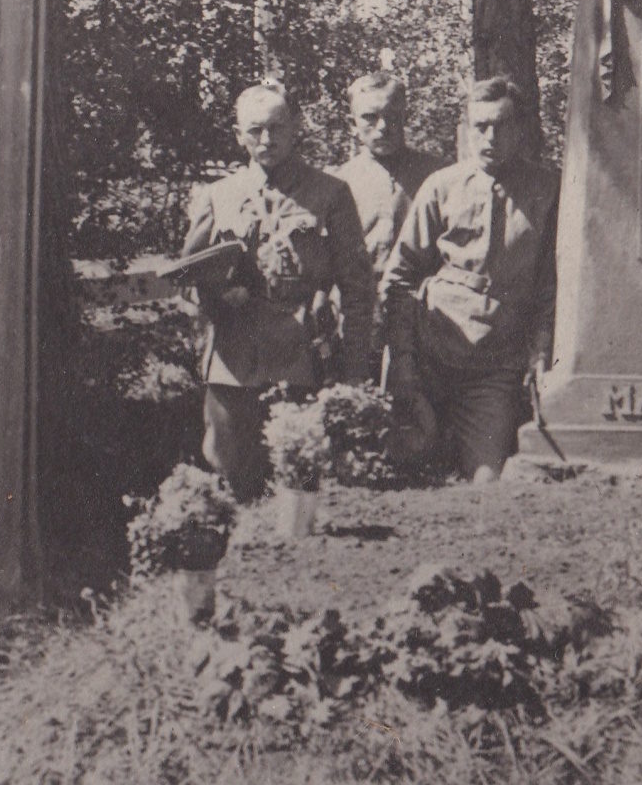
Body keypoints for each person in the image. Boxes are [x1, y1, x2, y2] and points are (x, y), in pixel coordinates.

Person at [183, 79, 375, 501]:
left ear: (295, 129)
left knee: (301, 482)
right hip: (234, 361)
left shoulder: (330, 194)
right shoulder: (218, 196)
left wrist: (356, 368)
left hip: (303, 359)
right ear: (239, 136)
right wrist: (218, 295)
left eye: (277, 127)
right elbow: (190, 277)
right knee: (232, 481)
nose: (266, 139)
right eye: (255, 130)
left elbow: (358, 287)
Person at [381, 75, 559, 483]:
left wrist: (541, 352)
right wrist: (404, 361)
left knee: (486, 478)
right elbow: (401, 278)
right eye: (480, 126)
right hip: (429, 358)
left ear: (519, 130)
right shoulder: (442, 187)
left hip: (494, 368)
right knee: (405, 473)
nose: (490, 136)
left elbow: (551, 286)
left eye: (501, 125)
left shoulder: (547, 190)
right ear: (466, 129)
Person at [336, 70, 441, 377]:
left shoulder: (438, 177)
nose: (383, 127)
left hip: (423, 319)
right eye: (370, 117)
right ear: (352, 123)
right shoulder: (337, 183)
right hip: (357, 319)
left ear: (405, 117)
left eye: (393, 116)